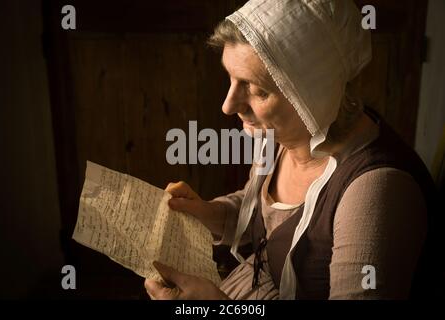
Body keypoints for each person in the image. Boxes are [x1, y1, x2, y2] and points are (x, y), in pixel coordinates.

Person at [144, 0, 439, 300]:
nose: (228, 105)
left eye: (257, 89)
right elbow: (260, 215)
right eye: (231, 78)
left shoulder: (376, 191)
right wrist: (208, 213)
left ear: (311, 96)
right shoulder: (281, 135)